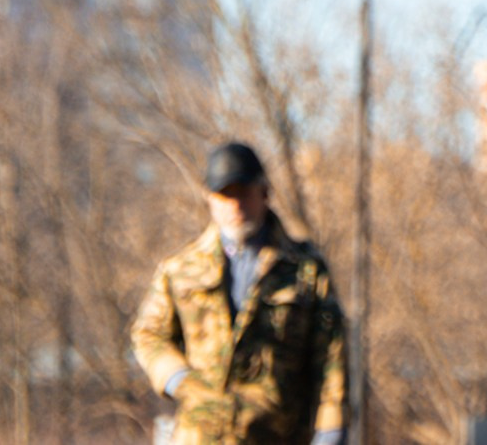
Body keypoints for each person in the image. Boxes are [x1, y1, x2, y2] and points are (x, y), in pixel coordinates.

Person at [130, 142, 347, 445]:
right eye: (225, 195)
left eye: (243, 192)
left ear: (264, 193)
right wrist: (179, 379)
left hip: (276, 434)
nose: (235, 206)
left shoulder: (304, 271)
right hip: (201, 435)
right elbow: (148, 334)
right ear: (210, 199)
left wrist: (330, 432)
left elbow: (332, 358)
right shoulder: (181, 270)